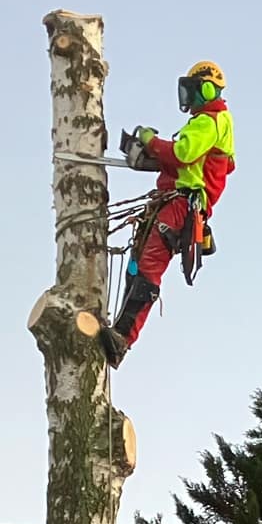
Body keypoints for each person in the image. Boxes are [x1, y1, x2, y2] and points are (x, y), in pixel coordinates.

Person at [102, 60, 235, 366]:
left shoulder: (211, 120)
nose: (187, 99)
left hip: (181, 205)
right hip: (170, 201)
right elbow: (185, 161)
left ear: (205, 88)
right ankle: (119, 326)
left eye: (191, 90)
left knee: (148, 266)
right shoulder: (206, 124)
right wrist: (151, 155)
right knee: (136, 263)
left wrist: (151, 141)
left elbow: (182, 153)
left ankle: (122, 338)